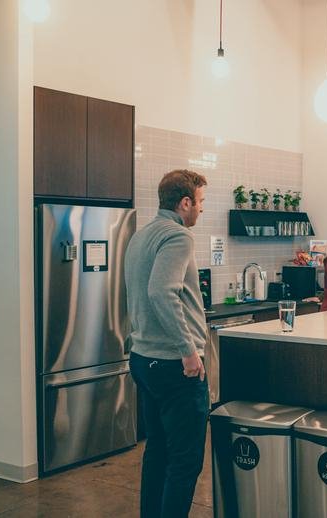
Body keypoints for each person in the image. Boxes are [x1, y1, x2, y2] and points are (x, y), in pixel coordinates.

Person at [125, 169, 209, 518]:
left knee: (158, 450)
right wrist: (188, 351)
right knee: (186, 461)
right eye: (200, 202)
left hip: (144, 359)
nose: (202, 210)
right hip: (175, 365)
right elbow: (161, 292)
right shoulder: (177, 236)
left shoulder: (142, 235)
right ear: (184, 202)